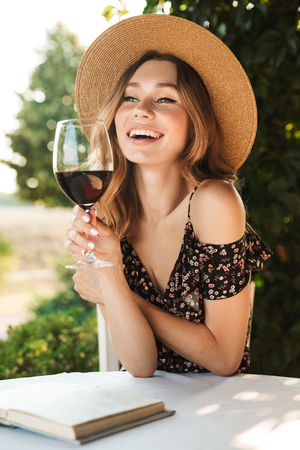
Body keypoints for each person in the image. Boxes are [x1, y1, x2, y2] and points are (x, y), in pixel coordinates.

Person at [64, 14, 272, 377]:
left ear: (195, 121)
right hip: (152, 410)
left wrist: (121, 296)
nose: (142, 110)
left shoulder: (213, 202)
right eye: (130, 96)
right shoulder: (110, 213)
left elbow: (225, 359)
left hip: (220, 413)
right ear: (114, 118)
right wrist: (110, 273)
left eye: (164, 98)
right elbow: (141, 366)